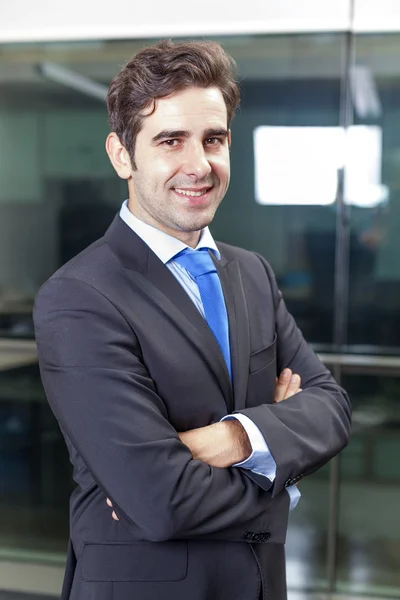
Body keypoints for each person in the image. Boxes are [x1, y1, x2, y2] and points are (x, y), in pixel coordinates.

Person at [33, 40, 351, 600]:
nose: (199, 164)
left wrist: (230, 437)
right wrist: (277, 453)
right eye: (170, 140)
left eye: (214, 139)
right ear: (121, 155)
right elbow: (161, 501)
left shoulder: (251, 272)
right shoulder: (79, 297)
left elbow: (331, 408)